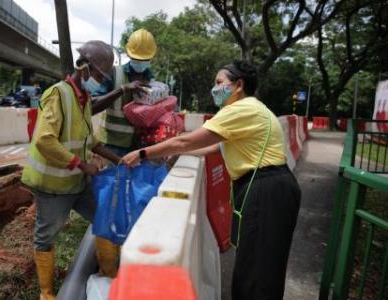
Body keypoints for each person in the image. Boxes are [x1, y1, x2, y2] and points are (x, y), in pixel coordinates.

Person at [122, 60, 301, 300]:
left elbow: (186, 141)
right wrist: (174, 153)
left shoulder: (241, 109)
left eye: (219, 83)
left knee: (259, 276)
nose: (215, 88)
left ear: (238, 85)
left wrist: (143, 153)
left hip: (267, 189)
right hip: (272, 187)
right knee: (259, 268)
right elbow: (214, 147)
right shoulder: (251, 108)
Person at [21, 40, 121, 300]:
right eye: (99, 75)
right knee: (46, 236)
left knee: (102, 216)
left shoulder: (84, 99)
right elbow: (45, 140)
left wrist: (118, 159)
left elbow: (91, 141)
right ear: (83, 67)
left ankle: (111, 272)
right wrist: (82, 165)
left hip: (77, 183)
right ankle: (46, 293)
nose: (100, 81)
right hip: (52, 186)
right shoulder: (58, 94)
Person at [92, 28, 157, 156]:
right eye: (137, 59)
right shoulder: (114, 74)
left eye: (145, 60)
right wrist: (123, 90)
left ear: (151, 58)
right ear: (128, 54)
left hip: (139, 146)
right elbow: (92, 106)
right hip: (112, 146)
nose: (141, 63)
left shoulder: (153, 81)